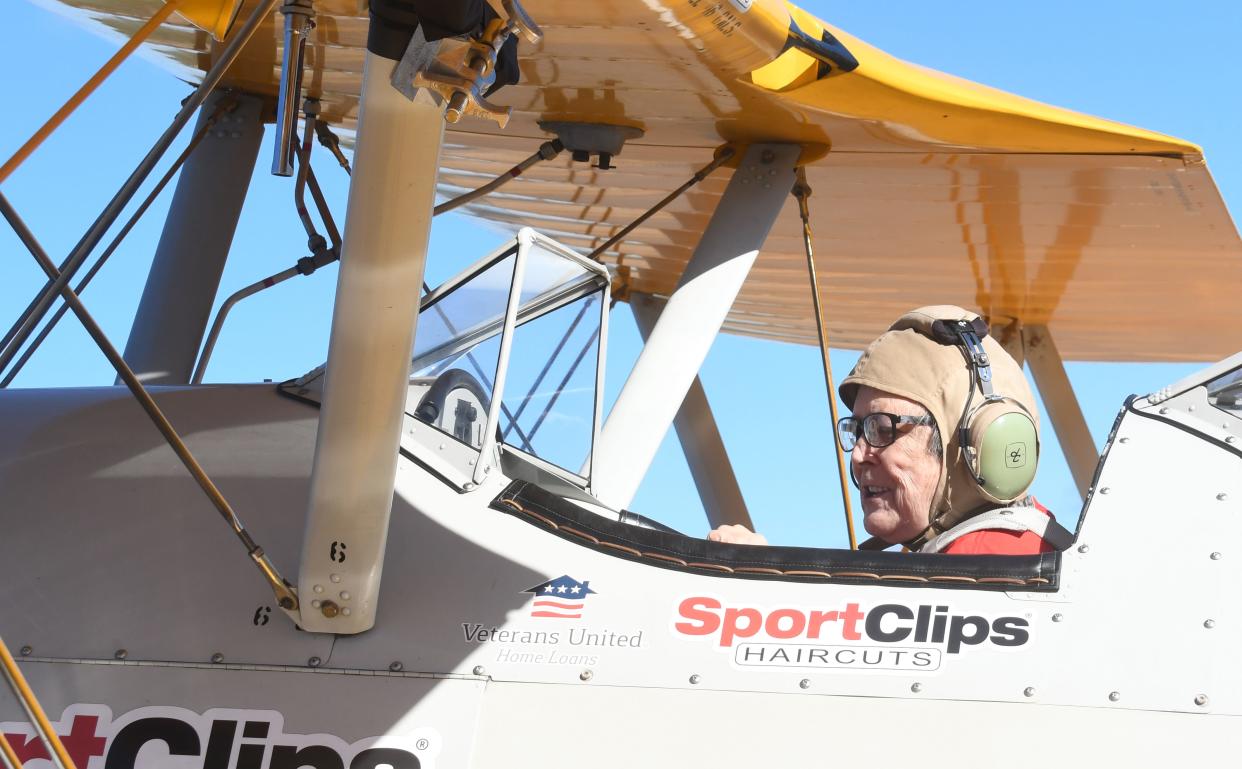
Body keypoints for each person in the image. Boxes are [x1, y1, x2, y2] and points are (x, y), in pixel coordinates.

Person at [708, 305, 1072, 555]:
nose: (858, 454)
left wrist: (762, 592)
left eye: (883, 429)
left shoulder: (986, 567)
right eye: (858, 429)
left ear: (977, 445)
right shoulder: (1009, 551)